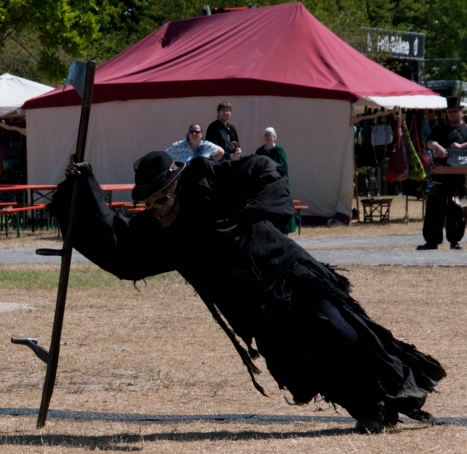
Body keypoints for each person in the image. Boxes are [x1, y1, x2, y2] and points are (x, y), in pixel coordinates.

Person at [52, 150, 445, 434]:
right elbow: (121, 251)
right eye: (150, 204)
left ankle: (399, 388)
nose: (158, 209)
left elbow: (266, 170)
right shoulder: (164, 234)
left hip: (286, 273)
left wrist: (248, 214)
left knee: (342, 331)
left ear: (178, 184)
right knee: (306, 361)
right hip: (254, 307)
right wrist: (79, 190)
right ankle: (368, 409)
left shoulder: (211, 183)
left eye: (163, 198)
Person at [418, 97, 467, 250]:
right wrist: (436, 146)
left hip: (460, 177)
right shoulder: (440, 128)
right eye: (449, 111)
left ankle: (455, 240)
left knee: (458, 208)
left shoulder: (466, 129)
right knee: (434, 208)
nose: (452, 114)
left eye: (454, 111)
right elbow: (428, 141)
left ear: (461, 111)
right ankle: (432, 241)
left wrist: (461, 146)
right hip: (440, 175)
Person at [255, 127, 296, 234]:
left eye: (270, 135)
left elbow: (283, 168)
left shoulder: (278, 151)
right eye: (266, 135)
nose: (268, 137)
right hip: (264, 184)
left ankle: (282, 231)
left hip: (277, 183)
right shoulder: (260, 151)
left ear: (274, 137)